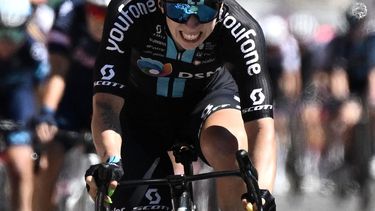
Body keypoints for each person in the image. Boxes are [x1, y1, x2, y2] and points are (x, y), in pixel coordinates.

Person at [85, 0, 276, 210]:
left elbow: (261, 126)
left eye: (204, 11)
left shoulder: (242, 29)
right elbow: (105, 104)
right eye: (180, 9)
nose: (191, 24)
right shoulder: (128, 11)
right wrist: (110, 160)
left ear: (220, 6)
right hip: (140, 114)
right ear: (160, 4)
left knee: (228, 148)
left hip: (206, 100)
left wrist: (262, 191)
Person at [32, 0, 108, 210]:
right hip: (70, 98)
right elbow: (57, 70)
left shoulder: (128, 22)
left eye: (106, 14)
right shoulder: (69, 14)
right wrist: (47, 113)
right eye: (94, 11)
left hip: (108, 100)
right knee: (46, 160)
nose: (99, 20)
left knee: (115, 165)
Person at [0, 0, 49, 210]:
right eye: (2, 34)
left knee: (21, 167)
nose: (8, 42)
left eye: (15, 34)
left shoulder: (34, 51)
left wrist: (41, 123)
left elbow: (42, 90)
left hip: (18, 102)